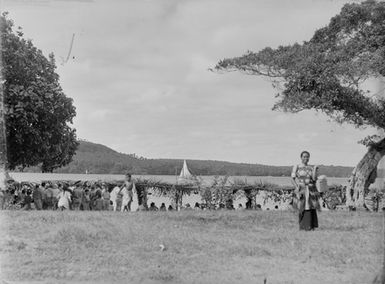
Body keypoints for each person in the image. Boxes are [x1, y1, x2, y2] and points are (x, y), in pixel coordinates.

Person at [291, 151, 320, 231]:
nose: (306, 158)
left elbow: (314, 179)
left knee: (311, 207)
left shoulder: (311, 168)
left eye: (307, 157)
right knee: (302, 207)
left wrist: (314, 169)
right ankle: (303, 226)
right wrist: (297, 188)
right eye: (304, 157)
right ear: (301, 157)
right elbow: (292, 179)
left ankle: (311, 225)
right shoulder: (296, 166)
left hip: (311, 190)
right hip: (302, 189)